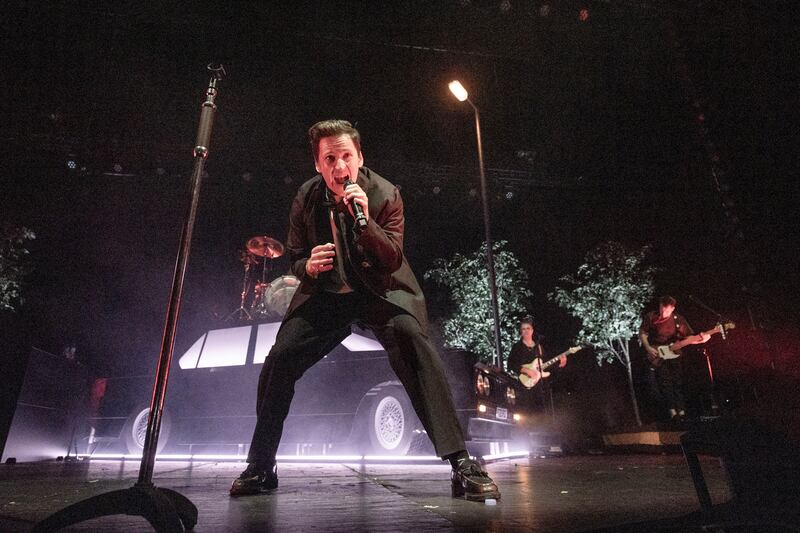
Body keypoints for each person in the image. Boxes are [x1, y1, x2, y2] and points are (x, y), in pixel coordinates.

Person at [230, 120, 500, 501]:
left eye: (346, 157)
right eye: (330, 159)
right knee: (281, 357)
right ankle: (261, 465)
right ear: (318, 165)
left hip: (380, 291)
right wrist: (307, 266)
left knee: (413, 342)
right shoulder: (305, 198)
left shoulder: (386, 194)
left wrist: (365, 220)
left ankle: (460, 462)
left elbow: (391, 259)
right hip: (327, 295)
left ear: (360, 158)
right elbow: (293, 258)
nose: (340, 167)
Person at [639, 295, 710, 421]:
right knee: (665, 381)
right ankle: (672, 411)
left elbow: (688, 338)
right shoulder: (651, 317)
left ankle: (682, 411)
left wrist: (700, 340)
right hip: (658, 352)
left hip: (674, 352)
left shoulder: (678, 320)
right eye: (662, 309)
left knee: (677, 381)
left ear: (672, 309)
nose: (663, 313)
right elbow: (643, 333)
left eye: (666, 310)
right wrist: (648, 347)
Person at [507, 316, 566, 415]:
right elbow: (511, 364)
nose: (526, 331)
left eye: (528, 328)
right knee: (527, 413)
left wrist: (560, 364)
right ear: (521, 331)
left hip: (540, 388)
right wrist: (526, 370)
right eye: (523, 329)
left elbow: (546, 366)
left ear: (532, 330)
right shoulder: (517, 347)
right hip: (524, 385)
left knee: (542, 413)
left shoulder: (539, 347)